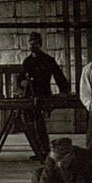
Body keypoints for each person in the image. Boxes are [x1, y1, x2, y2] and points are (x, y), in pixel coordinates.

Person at [21, 32, 71, 161]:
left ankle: (45, 151)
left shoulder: (48, 60)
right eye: (31, 42)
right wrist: (22, 83)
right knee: (28, 123)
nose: (33, 45)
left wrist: (64, 90)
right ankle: (38, 151)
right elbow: (20, 80)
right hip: (29, 96)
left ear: (40, 44)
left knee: (39, 123)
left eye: (36, 42)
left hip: (43, 96)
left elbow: (59, 76)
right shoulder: (26, 62)